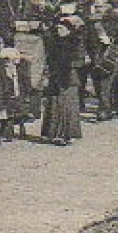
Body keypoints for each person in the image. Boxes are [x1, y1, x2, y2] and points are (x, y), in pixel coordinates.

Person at [40, 13, 85, 145]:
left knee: (68, 107)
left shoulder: (75, 42)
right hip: (55, 77)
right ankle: (51, 133)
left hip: (69, 78)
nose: (59, 31)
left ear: (68, 30)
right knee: (53, 105)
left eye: (62, 28)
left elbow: (80, 61)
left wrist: (70, 65)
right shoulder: (53, 43)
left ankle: (68, 134)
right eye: (58, 28)